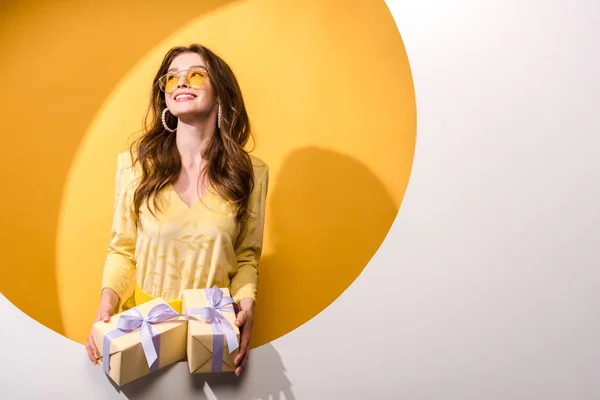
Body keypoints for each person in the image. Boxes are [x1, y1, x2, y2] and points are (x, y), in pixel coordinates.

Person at [84, 43, 269, 377]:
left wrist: (247, 308)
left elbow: (246, 256)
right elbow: (121, 249)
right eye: (171, 78)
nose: (181, 83)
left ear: (221, 93)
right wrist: (106, 307)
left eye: (196, 75)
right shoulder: (134, 166)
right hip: (145, 337)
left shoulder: (251, 172)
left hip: (213, 336)